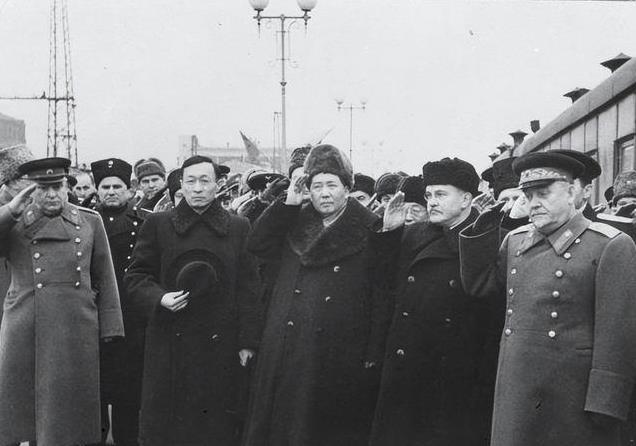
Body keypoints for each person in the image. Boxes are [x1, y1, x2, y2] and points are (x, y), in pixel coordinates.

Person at [460, 151, 636, 446]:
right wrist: (483, 227)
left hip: (572, 399)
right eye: (528, 196)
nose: (533, 203)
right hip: (517, 394)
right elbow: (480, 286)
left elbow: (617, 336)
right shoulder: (516, 241)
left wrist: (606, 405)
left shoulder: (610, 245)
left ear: (572, 192)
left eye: (543, 193)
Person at [243, 144, 388, 446]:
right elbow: (257, 244)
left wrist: (372, 353)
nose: (324, 194)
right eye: (317, 186)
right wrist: (288, 203)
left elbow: (381, 294)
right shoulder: (294, 217)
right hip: (286, 345)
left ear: (347, 188)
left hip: (338, 350)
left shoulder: (370, 227)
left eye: (331, 185)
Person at [125, 155, 261, 446]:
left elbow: (250, 288)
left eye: (204, 181)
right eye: (191, 181)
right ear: (181, 185)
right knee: (167, 428)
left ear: (218, 185)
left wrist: (247, 342)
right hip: (169, 344)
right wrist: (160, 298)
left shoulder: (239, 227)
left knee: (215, 427)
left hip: (221, 346)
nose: (198, 188)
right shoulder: (158, 224)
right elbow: (136, 277)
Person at [369, 158, 497, 446]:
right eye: (428, 195)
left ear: (466, 199)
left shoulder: (482, 238)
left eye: (441, 194)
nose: (432, 202)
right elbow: (384, 286)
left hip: (452, 377)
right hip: (405, 370)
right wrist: (389, 235)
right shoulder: (415, 234)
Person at [0, 157, 124, 446]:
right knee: (25, 411)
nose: (52, 194)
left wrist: (111, 327)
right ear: (31, 190)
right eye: (43, 188)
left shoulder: (90, 221)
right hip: (26, 326)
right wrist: (9, 211)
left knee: (71, 410)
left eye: (57, 186)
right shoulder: (15, 222)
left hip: (75, 326)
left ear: (67, 186)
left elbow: (104, 275)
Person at [91, 158, 149, 446]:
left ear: (129, 190)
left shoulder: (145, 222)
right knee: (96, 388)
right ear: (97, 190)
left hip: (132, 317)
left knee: (129, 389)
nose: (111, 192)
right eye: (105, 187)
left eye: (117, 186)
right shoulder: (85, 221)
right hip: (94, 314)